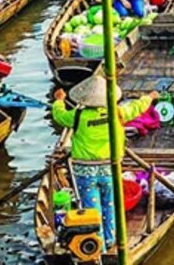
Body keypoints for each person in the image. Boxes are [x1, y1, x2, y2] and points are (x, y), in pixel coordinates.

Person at [52, 81, 158, 251]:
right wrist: (150, 97)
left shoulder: (78, 115)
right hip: (109, 169)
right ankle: (109, 239)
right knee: (110, 204)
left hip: (84, 172)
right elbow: (137, 107)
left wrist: (59, 100)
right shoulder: (117, 112)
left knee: (91, 209)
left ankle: (98, 246)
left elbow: (59, 115)